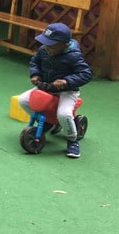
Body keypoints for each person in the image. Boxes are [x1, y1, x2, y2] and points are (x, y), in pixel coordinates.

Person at [17, 22, 92, 159]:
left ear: (64, 44)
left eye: (51, 45)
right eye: (45, 43)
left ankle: (72, 140)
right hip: (46, 86)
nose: (46, 47)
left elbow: (86, 74)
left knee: (64, 114)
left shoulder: (74, 55)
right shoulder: (43, 50)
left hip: (67, 91)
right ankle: (49, 121)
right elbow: (35, 62)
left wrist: (66, 81)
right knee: (23, 100)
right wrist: (35, 74)